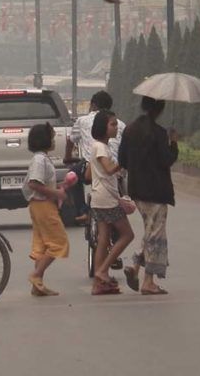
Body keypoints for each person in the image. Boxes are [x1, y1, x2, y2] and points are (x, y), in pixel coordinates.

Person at [118, 95, 179, 295]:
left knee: (150, 230)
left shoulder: (130, 130)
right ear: (159, 109)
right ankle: (148, 281)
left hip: (136, 189)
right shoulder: (159, 133)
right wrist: (173, 143)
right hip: (156, 190)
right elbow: (166, 160)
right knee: (156, 234)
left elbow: (122, 160)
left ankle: (135, 267)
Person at [89, 110, 135, 295]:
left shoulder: (100, 146)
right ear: (103, 127)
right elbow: (108, 170)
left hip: (98, 196)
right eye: (113, 124)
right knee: (127, 235)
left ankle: (99, 284)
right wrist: (124, 160)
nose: (116, 127)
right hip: (107, 198)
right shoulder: (100, 147)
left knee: (103, 239)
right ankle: (102, 270)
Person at [22, 122, 68, 297]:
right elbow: (34, 183)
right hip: (43, 205)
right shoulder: (40, 160)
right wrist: (57, 193)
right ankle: (35, 275)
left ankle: (38, 284)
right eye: (52, 137)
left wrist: (59, 188)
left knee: (42, 244)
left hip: (40, 205)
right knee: (58, 243)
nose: (54, 140)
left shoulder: (41, 158)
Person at [65, 90, 123, 223]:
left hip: (91, 167)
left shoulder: (83, 121)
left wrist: (67, 157)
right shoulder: (120, 123)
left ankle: (83, 210)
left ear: (93, 105)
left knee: (72, 175)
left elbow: (71, 140)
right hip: (115, 167)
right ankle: (124, 200)